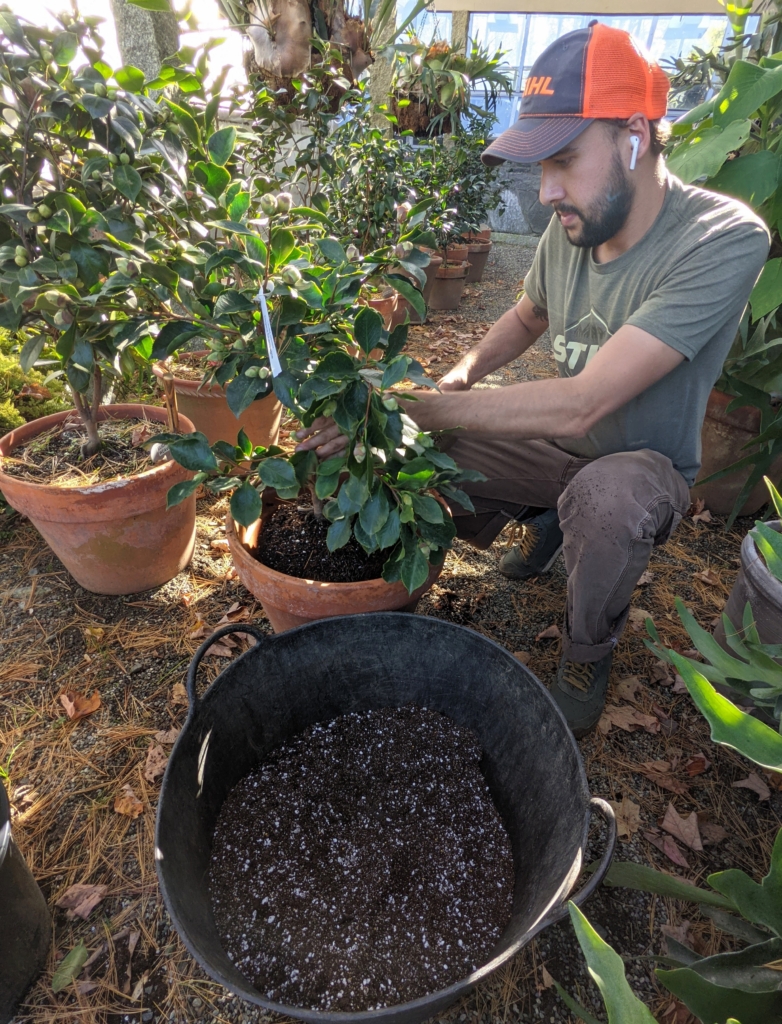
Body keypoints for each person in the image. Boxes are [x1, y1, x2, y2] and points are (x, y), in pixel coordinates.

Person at [295, 21, 770, 737]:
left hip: (641, 467)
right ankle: (545, 518)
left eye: (565, 159)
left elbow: (583, 404)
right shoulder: (572, 224)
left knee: (605, 499)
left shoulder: (722, 239)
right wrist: (457, 376)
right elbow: (526, 319)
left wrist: (414, 408)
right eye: (539, 164)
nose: (545, 190)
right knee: (417, 450)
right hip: (558, 448)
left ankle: (586, 648)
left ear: (635, 134)